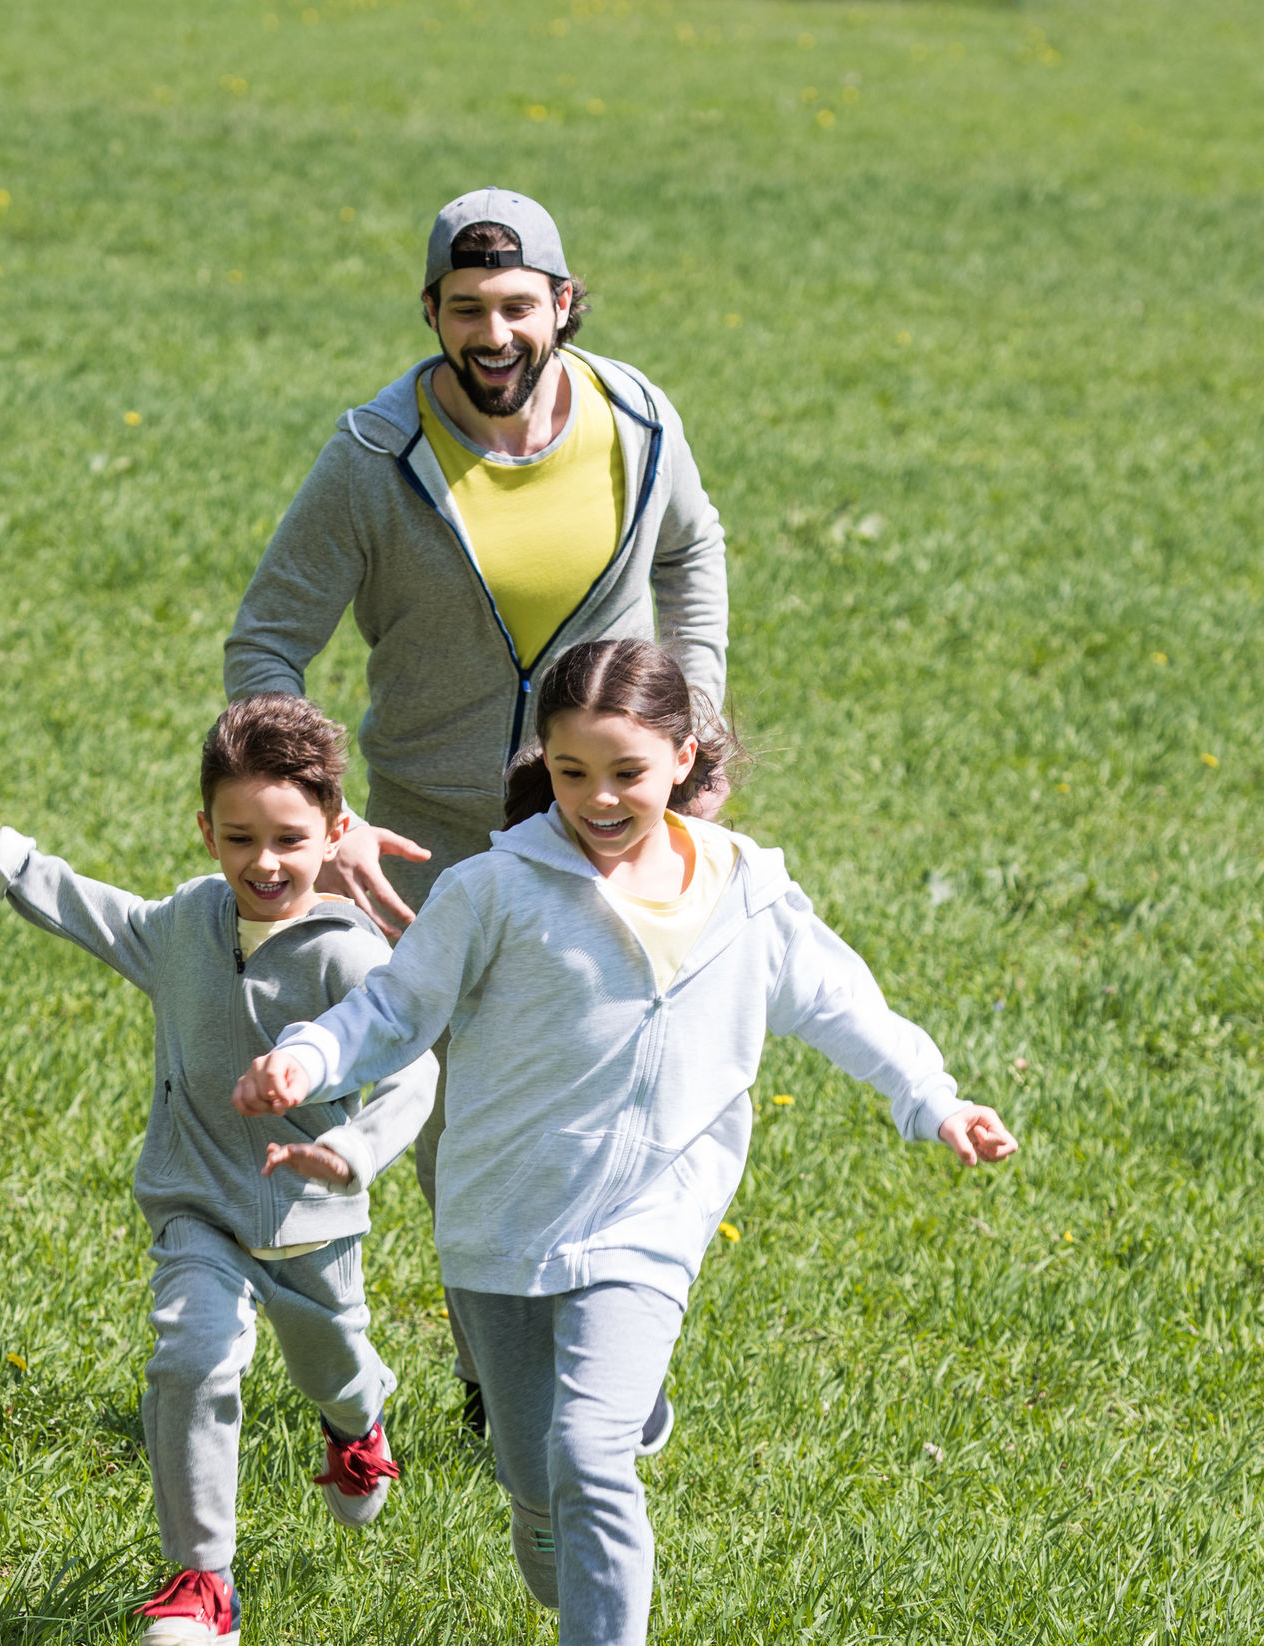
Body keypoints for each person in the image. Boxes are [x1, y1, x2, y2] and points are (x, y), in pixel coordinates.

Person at [233, 640, 1021, 1646]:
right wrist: (308, 1056)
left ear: (683, 757)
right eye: (571, 773)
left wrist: (934, 1098)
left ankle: (615, 1433)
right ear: (544, 764)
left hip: (653, 1209)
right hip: (502, 1221)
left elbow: (837, 1000)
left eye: (627, 773)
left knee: (588, 1448)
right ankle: (601, 1449)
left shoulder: (744, 889)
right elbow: (393, 1007)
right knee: (538, 1489)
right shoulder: (497, 889)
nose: (598, 799)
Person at [225, 187, 736, 1427]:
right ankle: (495, 1372)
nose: (493, 335)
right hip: (437, 834)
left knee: (628, 1074)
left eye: (518, 306)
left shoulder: (639, 422)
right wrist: (327, 818)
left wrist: (692, 726)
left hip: (608, 818)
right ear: (433, 314)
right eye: (466, 310)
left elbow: (691, 553)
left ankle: (614, 1341)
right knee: (463, 1105)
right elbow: (266, 646)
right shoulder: (373, 458)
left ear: (562, 305)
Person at [0, 696, 437, 1646]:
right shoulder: (188, 923)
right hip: (195, 1204)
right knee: (193, 1358)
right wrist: (6, 854)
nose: (263, 862)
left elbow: (416, 1071)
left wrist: (352, 1150)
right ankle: (201, 1585)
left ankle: (357, 1432)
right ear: (206, 828)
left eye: (290, 839)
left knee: (332, 1367)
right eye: (239, 836)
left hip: (310, 1221)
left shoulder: (348, 955)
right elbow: (100, 915)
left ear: (336, 832)